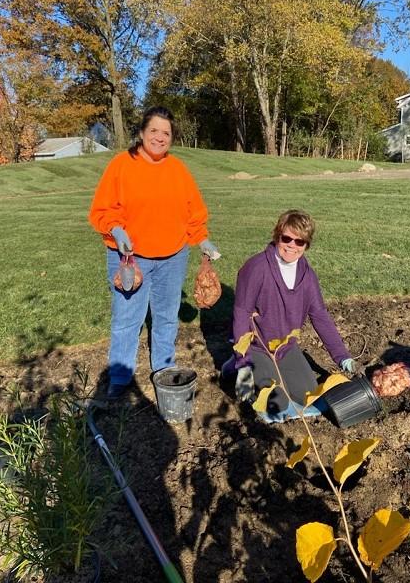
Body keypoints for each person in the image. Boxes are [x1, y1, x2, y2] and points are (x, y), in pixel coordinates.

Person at [89, 106, 220, 400]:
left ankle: (163, 368)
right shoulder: (121, 166)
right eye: (154, 131)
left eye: (166, 133)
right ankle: (120, 377)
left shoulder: (177, 170)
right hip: (130, 258)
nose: (160, 138)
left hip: (173, 257)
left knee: (166, 316)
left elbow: (193, 212)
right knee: (127, 317)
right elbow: (102, 210)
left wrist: (203, 240)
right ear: (141, 133)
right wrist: (117, 231)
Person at [230, 209, 360, 423]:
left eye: (299, 242)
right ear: (277, 235)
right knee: (276, 405)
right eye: (287, 238)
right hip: (257, 347)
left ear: (306, 245)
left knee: (309, 398)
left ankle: (273, 372)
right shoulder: (255, 268)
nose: (292, 245)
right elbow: (241, 313)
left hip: (286, 347)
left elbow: (319, 315)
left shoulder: (307, 277)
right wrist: (242, 363)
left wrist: (342, 356)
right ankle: (232, 365)